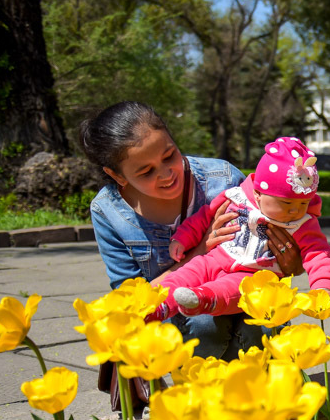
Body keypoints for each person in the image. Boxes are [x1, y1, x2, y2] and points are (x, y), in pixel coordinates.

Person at [81, 101, 305, 358]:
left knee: (267, 315)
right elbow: (132, 303)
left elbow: (289, 260)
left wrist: (293, 262)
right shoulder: (108, 211)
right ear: (118, 176)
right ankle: (202, 387)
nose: (166, 174)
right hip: (180, 321)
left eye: (170, 156)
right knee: (202, 320)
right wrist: (199, 250)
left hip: (243, 298)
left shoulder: (223, 179)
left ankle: (258, 386)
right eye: (146, 172)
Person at [149, 136, 330, 320]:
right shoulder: (236, 198)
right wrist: (182, 238)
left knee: (234, 292)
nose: (296, 210)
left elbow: (319, 253)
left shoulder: (303, 222)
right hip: (214, 258)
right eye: (286, 203)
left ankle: (202, 300)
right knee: (185, 275)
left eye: (304, 203)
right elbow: (204, 217)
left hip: (253, 274)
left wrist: (323, 287)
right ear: (258, 194)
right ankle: (158, 307)